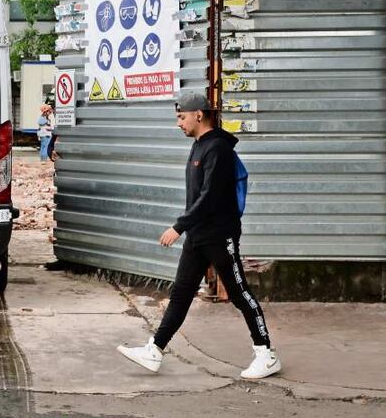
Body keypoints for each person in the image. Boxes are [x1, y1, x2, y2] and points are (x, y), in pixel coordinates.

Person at [117, 93, 281, 379]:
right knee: (180, 294)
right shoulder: (198, 147)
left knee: (241, 294)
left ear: (199, 115)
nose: (179, 123)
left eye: (182, 117)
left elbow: (209, 197)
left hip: (219, 235)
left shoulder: (217, 148)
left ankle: (266, 354)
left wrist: (178, 226)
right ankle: (155, 350)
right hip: (199, 236)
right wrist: (188, 228)